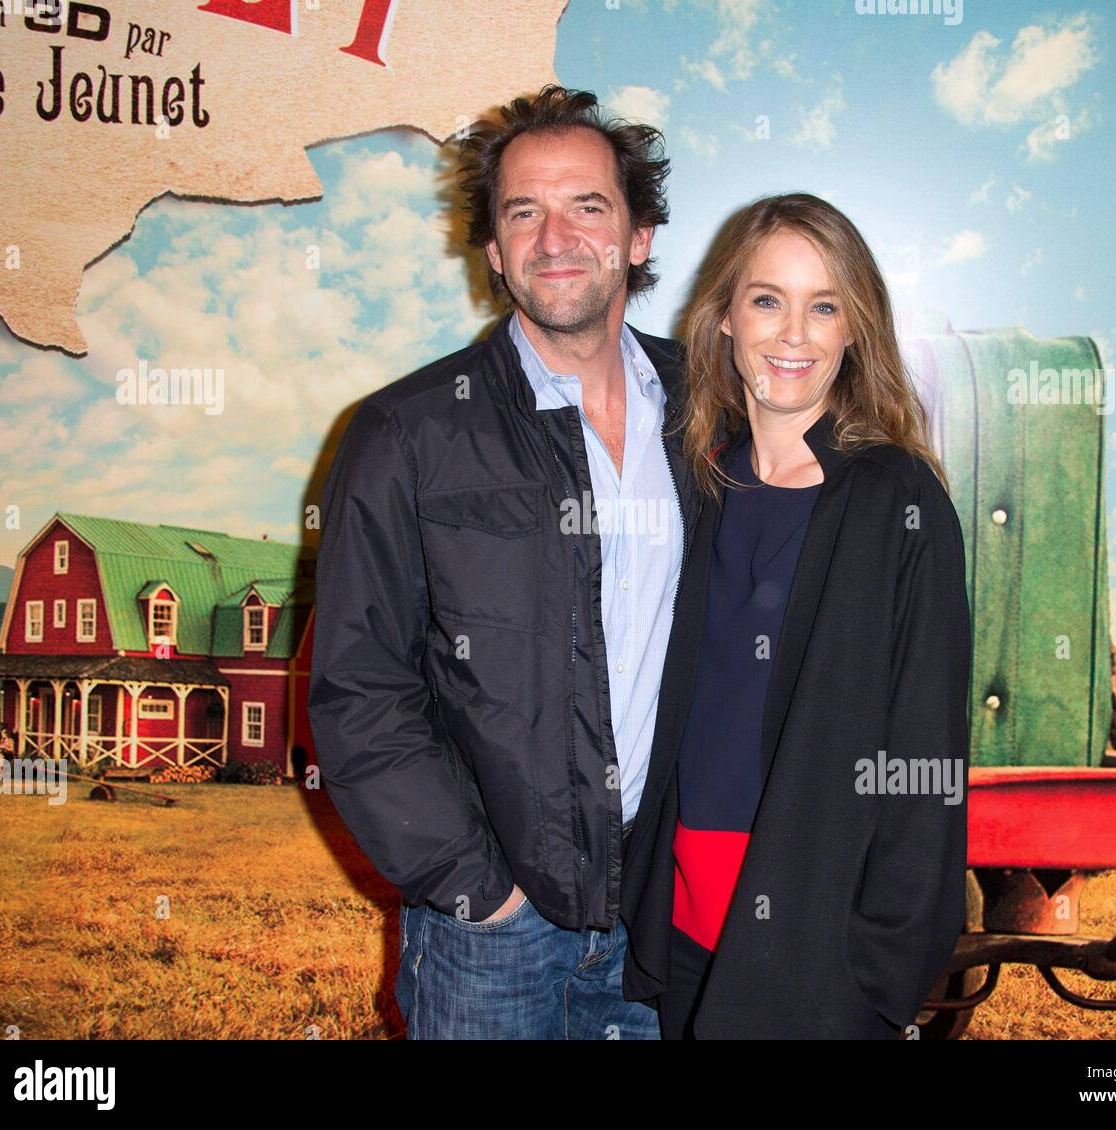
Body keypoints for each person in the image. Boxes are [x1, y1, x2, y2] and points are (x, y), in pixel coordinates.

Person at [307, 85, 700, 1039]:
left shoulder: (713, 414)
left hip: (664, 919)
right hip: (488, 938)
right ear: (493, 249)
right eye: (524, 210)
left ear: (640, 236)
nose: (554, 235)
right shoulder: (406, 432)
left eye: (588, 206)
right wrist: (477, 889)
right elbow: (358, 685)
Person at [620, 193, 973, 1038]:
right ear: (723, 320)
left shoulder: (898, 498)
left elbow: (927, 749)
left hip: (818, 952)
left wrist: (881, 972)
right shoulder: (691, 487)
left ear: (855, 330)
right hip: (679, 932)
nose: (793, 335)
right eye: (767, 300)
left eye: (825, 307)